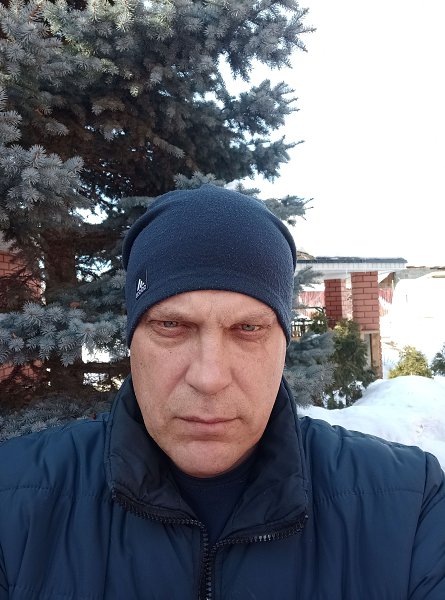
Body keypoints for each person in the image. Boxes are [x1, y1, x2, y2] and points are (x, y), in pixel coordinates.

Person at [0, 185, 444, 599]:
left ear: (283, 344)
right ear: (132, 339)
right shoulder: (12, 501)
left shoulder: (410, 506)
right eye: (171, 325)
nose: (209, 377)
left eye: (248, 328)